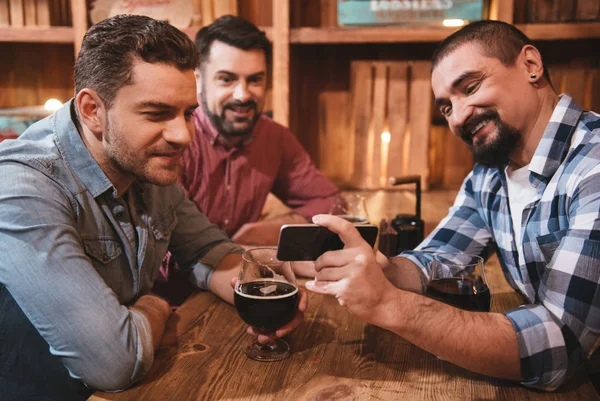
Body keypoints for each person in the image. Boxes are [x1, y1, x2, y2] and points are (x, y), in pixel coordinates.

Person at [0, 15, 305, 401]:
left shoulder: (141, 161)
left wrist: (263, 294)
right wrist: (156, 306)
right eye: (157, 113)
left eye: (188, 113)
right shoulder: (21, 188)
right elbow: (114, 362)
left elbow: (207, 250)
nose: (183, 135)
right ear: (93, 110)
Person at [306, 20, 600, 391]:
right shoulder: (490, 175)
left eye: (471, 87)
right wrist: (385, 269)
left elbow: (559, 347)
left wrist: (391, 305)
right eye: (446, 107)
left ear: (530, 66)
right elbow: (441, 254)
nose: (459, 117)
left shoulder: (593, 167)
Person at [153, 15, 343, 304]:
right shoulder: (176, 141)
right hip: (169, 304)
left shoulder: (275, 138)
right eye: (226, 79)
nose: (243, 95)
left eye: (255, 80)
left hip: (241, 292)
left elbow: (333, 207)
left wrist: (272, 230)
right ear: (198, 79)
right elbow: (166, 258)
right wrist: (257, 250)